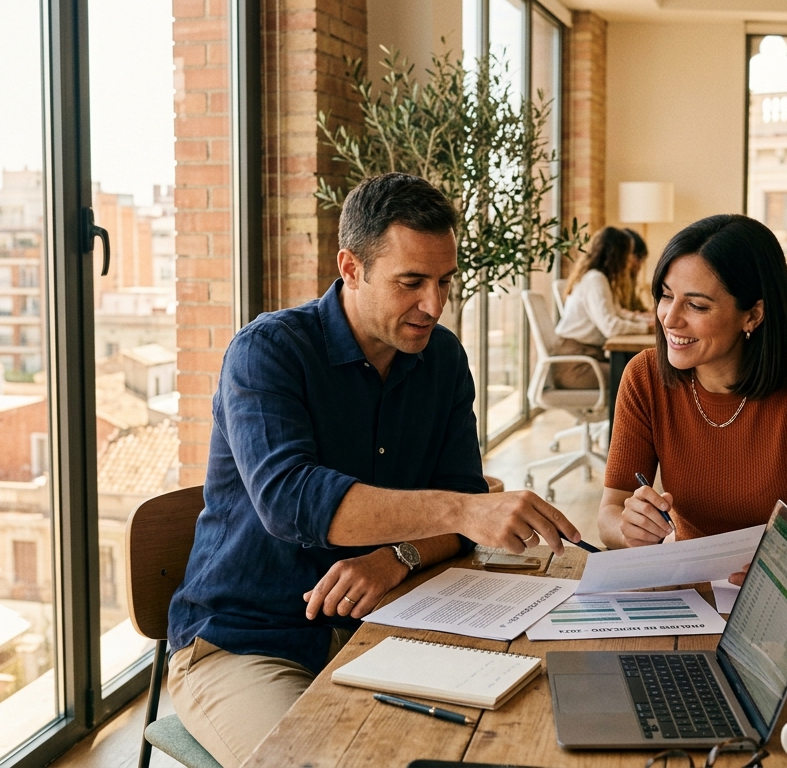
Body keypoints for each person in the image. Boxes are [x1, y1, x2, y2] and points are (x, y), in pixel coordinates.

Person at [166, 173, 583, 767]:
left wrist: (398, 556)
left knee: (520, 732)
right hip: (248, 640)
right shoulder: (268, 351)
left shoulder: (442, 358)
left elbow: (462, 517)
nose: (433, 305)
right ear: (351, 267)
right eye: (411, 282)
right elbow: (292, 502)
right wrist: (464, 510)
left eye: (444, 281)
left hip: (387, 624)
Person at [596, 214, 787, 582]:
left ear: (752, 315)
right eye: (666, 296)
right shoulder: (644, 376)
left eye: (697, 305)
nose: (669, 319)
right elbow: (609, 513)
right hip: (695, 586)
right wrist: (629, 529)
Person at [552, 227, 653, 388]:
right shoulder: (595, 279)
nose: (630, 260)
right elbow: (610, 327)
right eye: (628, 254)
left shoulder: (600, 279)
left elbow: (618, 313)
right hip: (576, 365)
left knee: (644, 371)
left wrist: (646, 321)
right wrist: (646, 328)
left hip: (587, 358)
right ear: (618, 254)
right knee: (643, 378)